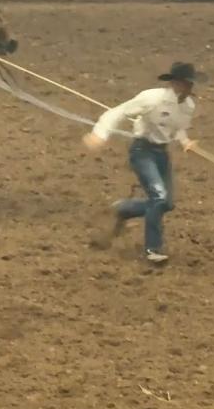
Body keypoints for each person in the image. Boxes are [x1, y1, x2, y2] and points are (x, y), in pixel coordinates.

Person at [83, 62, 204, 264]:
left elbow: (178, 128)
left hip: (161, 153)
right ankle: (152, 249)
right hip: (142, 151)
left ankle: (123, 209)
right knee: (159, 197)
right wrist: (100, 134)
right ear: (175, 83)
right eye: (186, 83)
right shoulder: (152, 99)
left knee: (166, 203)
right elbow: (118, 112)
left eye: (190, 84)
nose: (189, 88)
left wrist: (185, 142)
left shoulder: (188, 106)